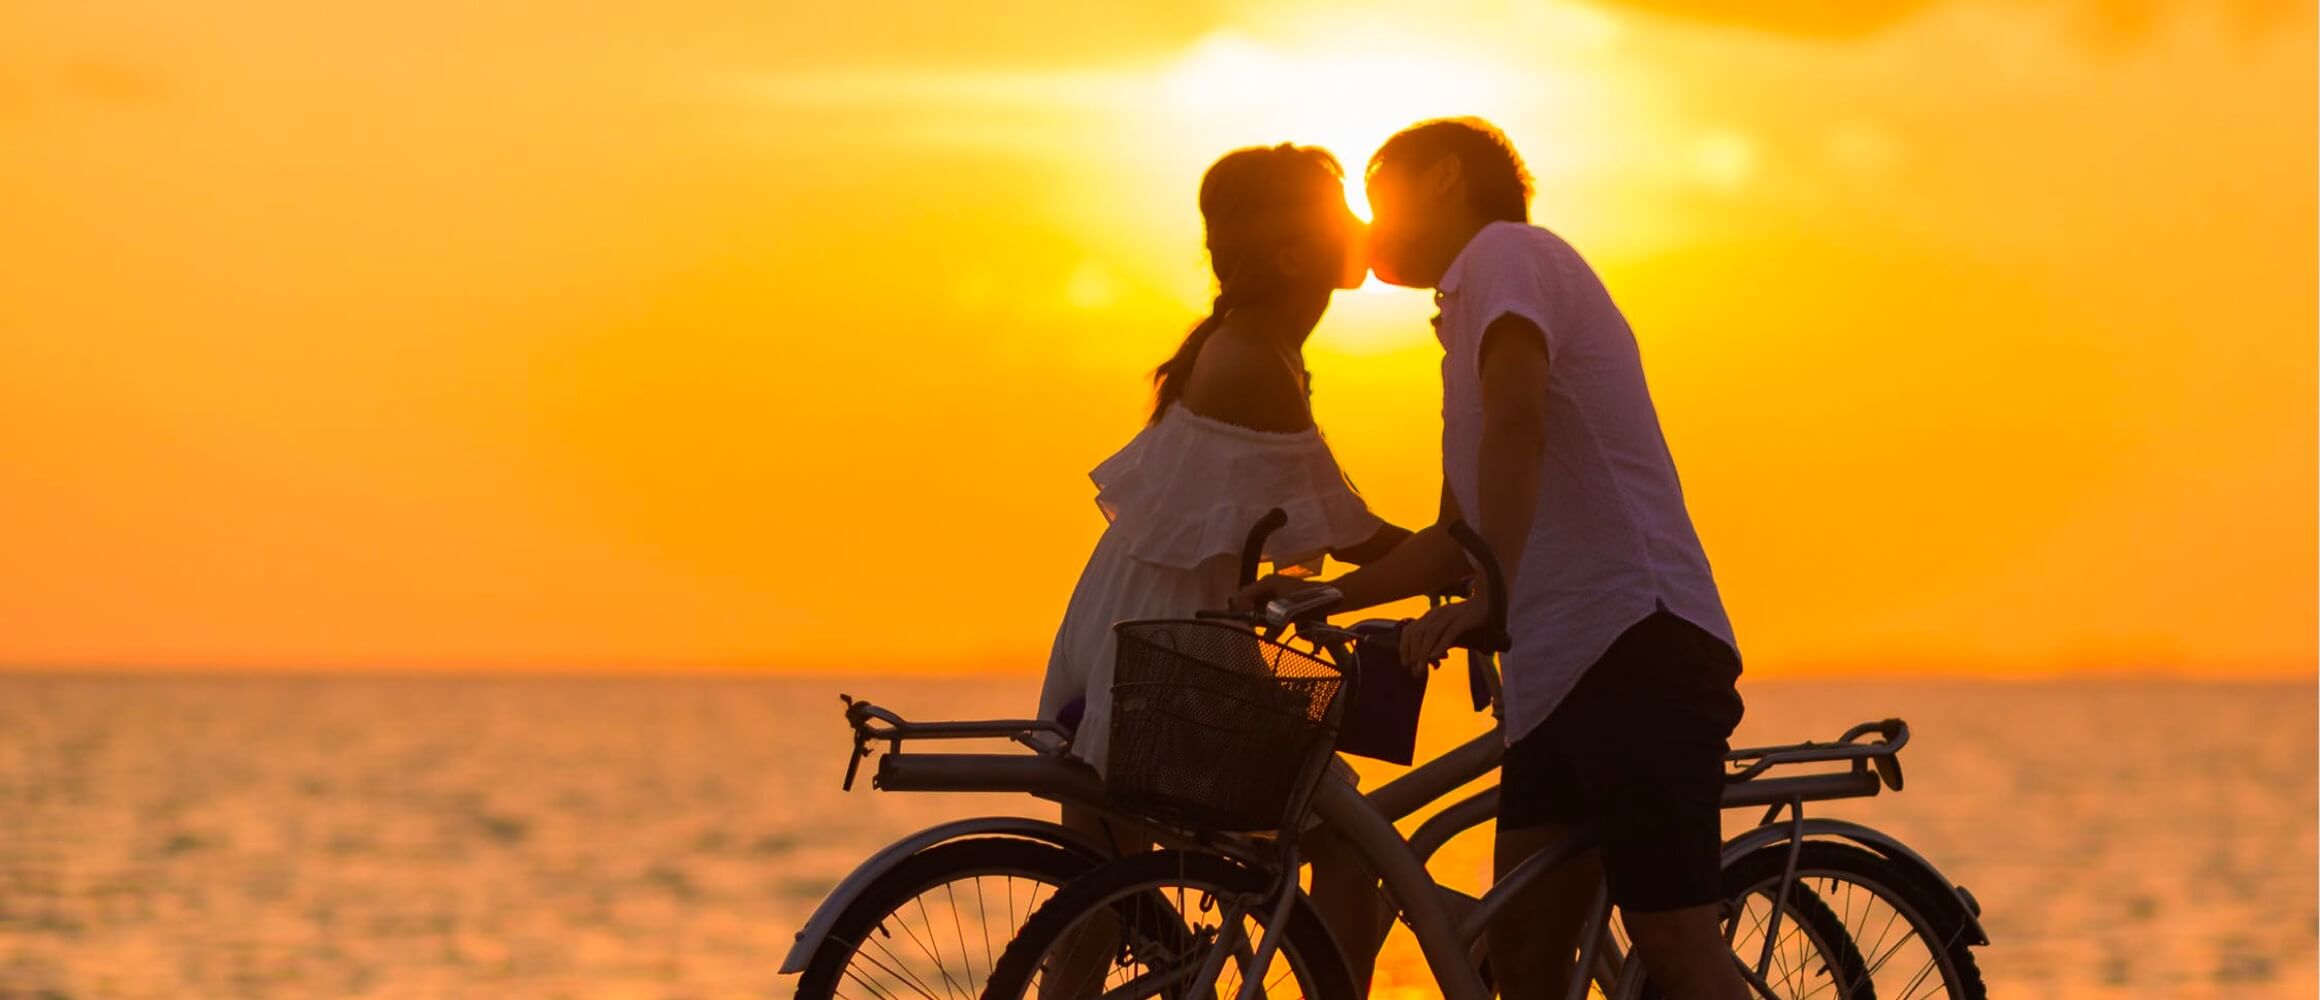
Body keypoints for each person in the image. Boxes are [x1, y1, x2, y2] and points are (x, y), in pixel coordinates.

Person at [1237, 118, 1749, 1000]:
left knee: (1674, 941)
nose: (1366, 223)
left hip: (1638, 641)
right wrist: (1329, 600)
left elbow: (1521, 423)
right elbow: (1453, 539)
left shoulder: (1509, 255)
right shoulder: (1465, 325)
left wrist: (1490, 595)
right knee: (1523, 957)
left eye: (1378, 192)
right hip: (1559, 675)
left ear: (1442, 180)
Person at [1033, 142, 1410, 996]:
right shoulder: (1255, 365)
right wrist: (1479, 557)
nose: (1362, 224)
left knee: (1101, 904)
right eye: (1340, 210)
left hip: (1129, 632)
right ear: (1289, 253)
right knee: (1352, 855)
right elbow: (1353, 533)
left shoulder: (1246, 346)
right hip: (1175, 657)